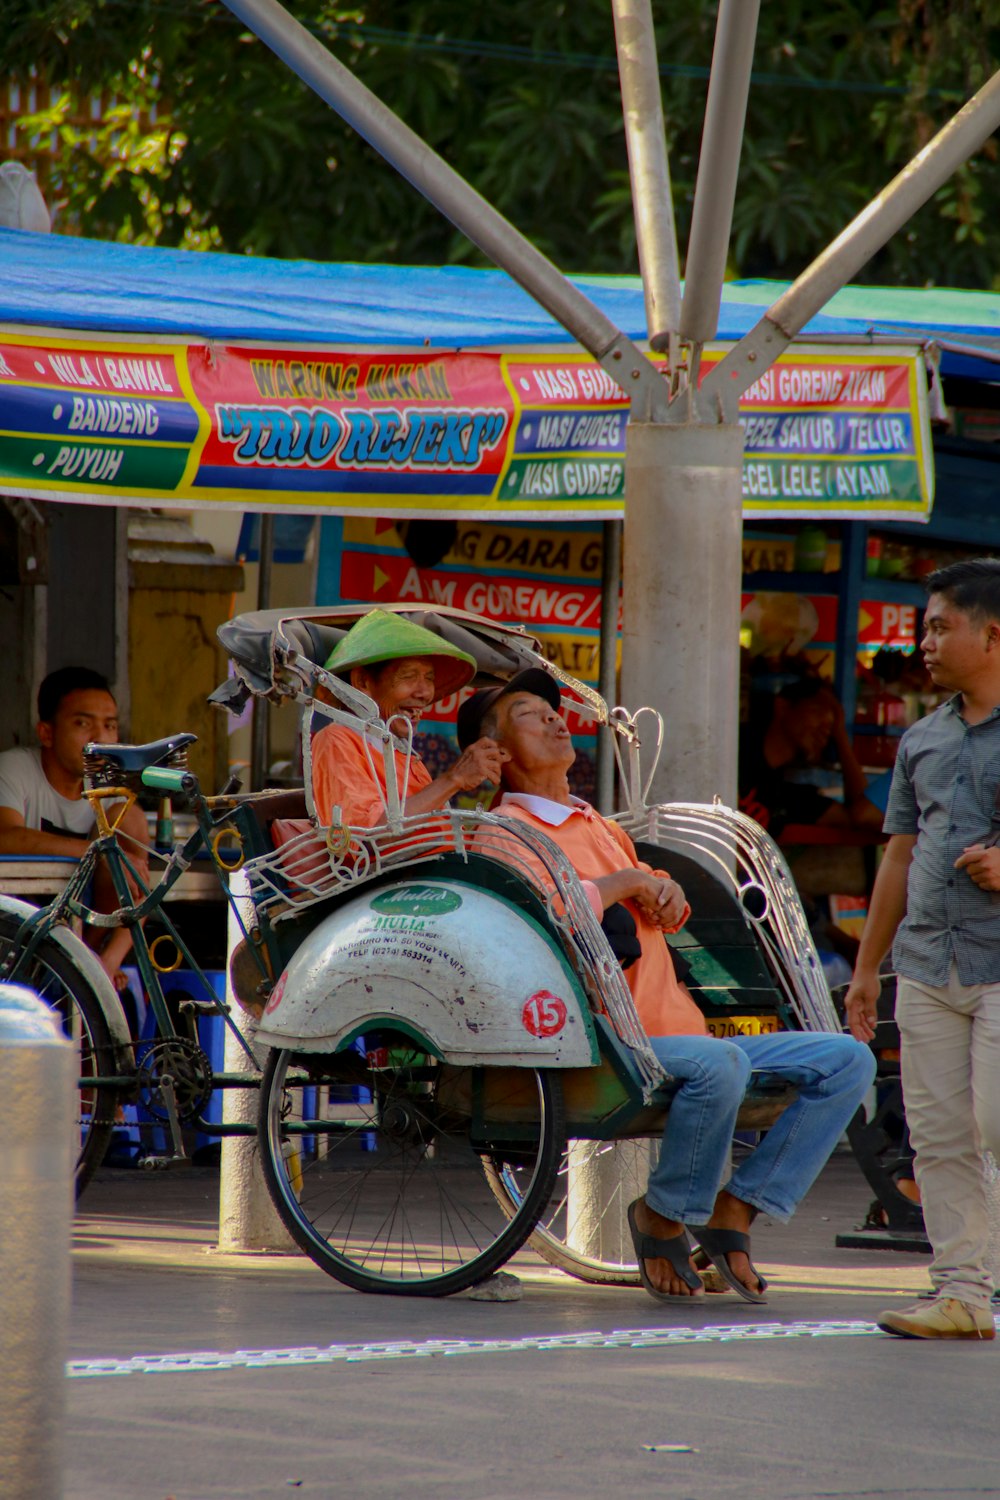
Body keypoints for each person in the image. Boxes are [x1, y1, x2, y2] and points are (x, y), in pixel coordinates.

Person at [458, 668, 875, 1305]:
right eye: (526, 714)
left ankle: (737, 1209)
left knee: (847, 1060)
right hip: (605, 1039)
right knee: (721, 1063)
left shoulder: (596, 824)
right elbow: (542, 917)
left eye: (551, 710)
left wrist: (666, 895)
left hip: (681, 1034)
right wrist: (626, 884)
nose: (550, 718)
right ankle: (665, 1213)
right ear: (500, 754)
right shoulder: (507, 831)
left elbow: (655, 900)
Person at [846, 558, 1000, 1341]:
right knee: (938, 1136)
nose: (926, 641)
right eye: (926, 625)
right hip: (926, 965)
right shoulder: (922, 740)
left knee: (996, 1124)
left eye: (942, 626)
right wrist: (869, 968)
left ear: (992, 634)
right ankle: (964, 1292)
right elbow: (899, 857)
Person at [0, 666, 148, 979]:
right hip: (15, 930)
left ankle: (90, 959)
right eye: (82, 723)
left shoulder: (111, 789)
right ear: (47, 733)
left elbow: (139, 885)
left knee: (130, 819)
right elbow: (5, 836)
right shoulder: (15, 768)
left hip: (86, 935)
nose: (99, 738)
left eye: (109, 726)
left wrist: (107, 964)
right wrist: (95, 851)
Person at [311, 609, 502, 828]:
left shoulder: (397, 748)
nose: (425, 693)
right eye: (409, 676)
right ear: (363, 682)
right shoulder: (337, 739)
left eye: (429, 679)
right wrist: (454, 779)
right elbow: (370, 836)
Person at [739, 676, 883, 838]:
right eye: (818, 712)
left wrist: (841, 737)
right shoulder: (733, 751)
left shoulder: (787, 796)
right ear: (783, 706)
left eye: (831, 725)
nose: (825, 728)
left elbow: (861, 816)